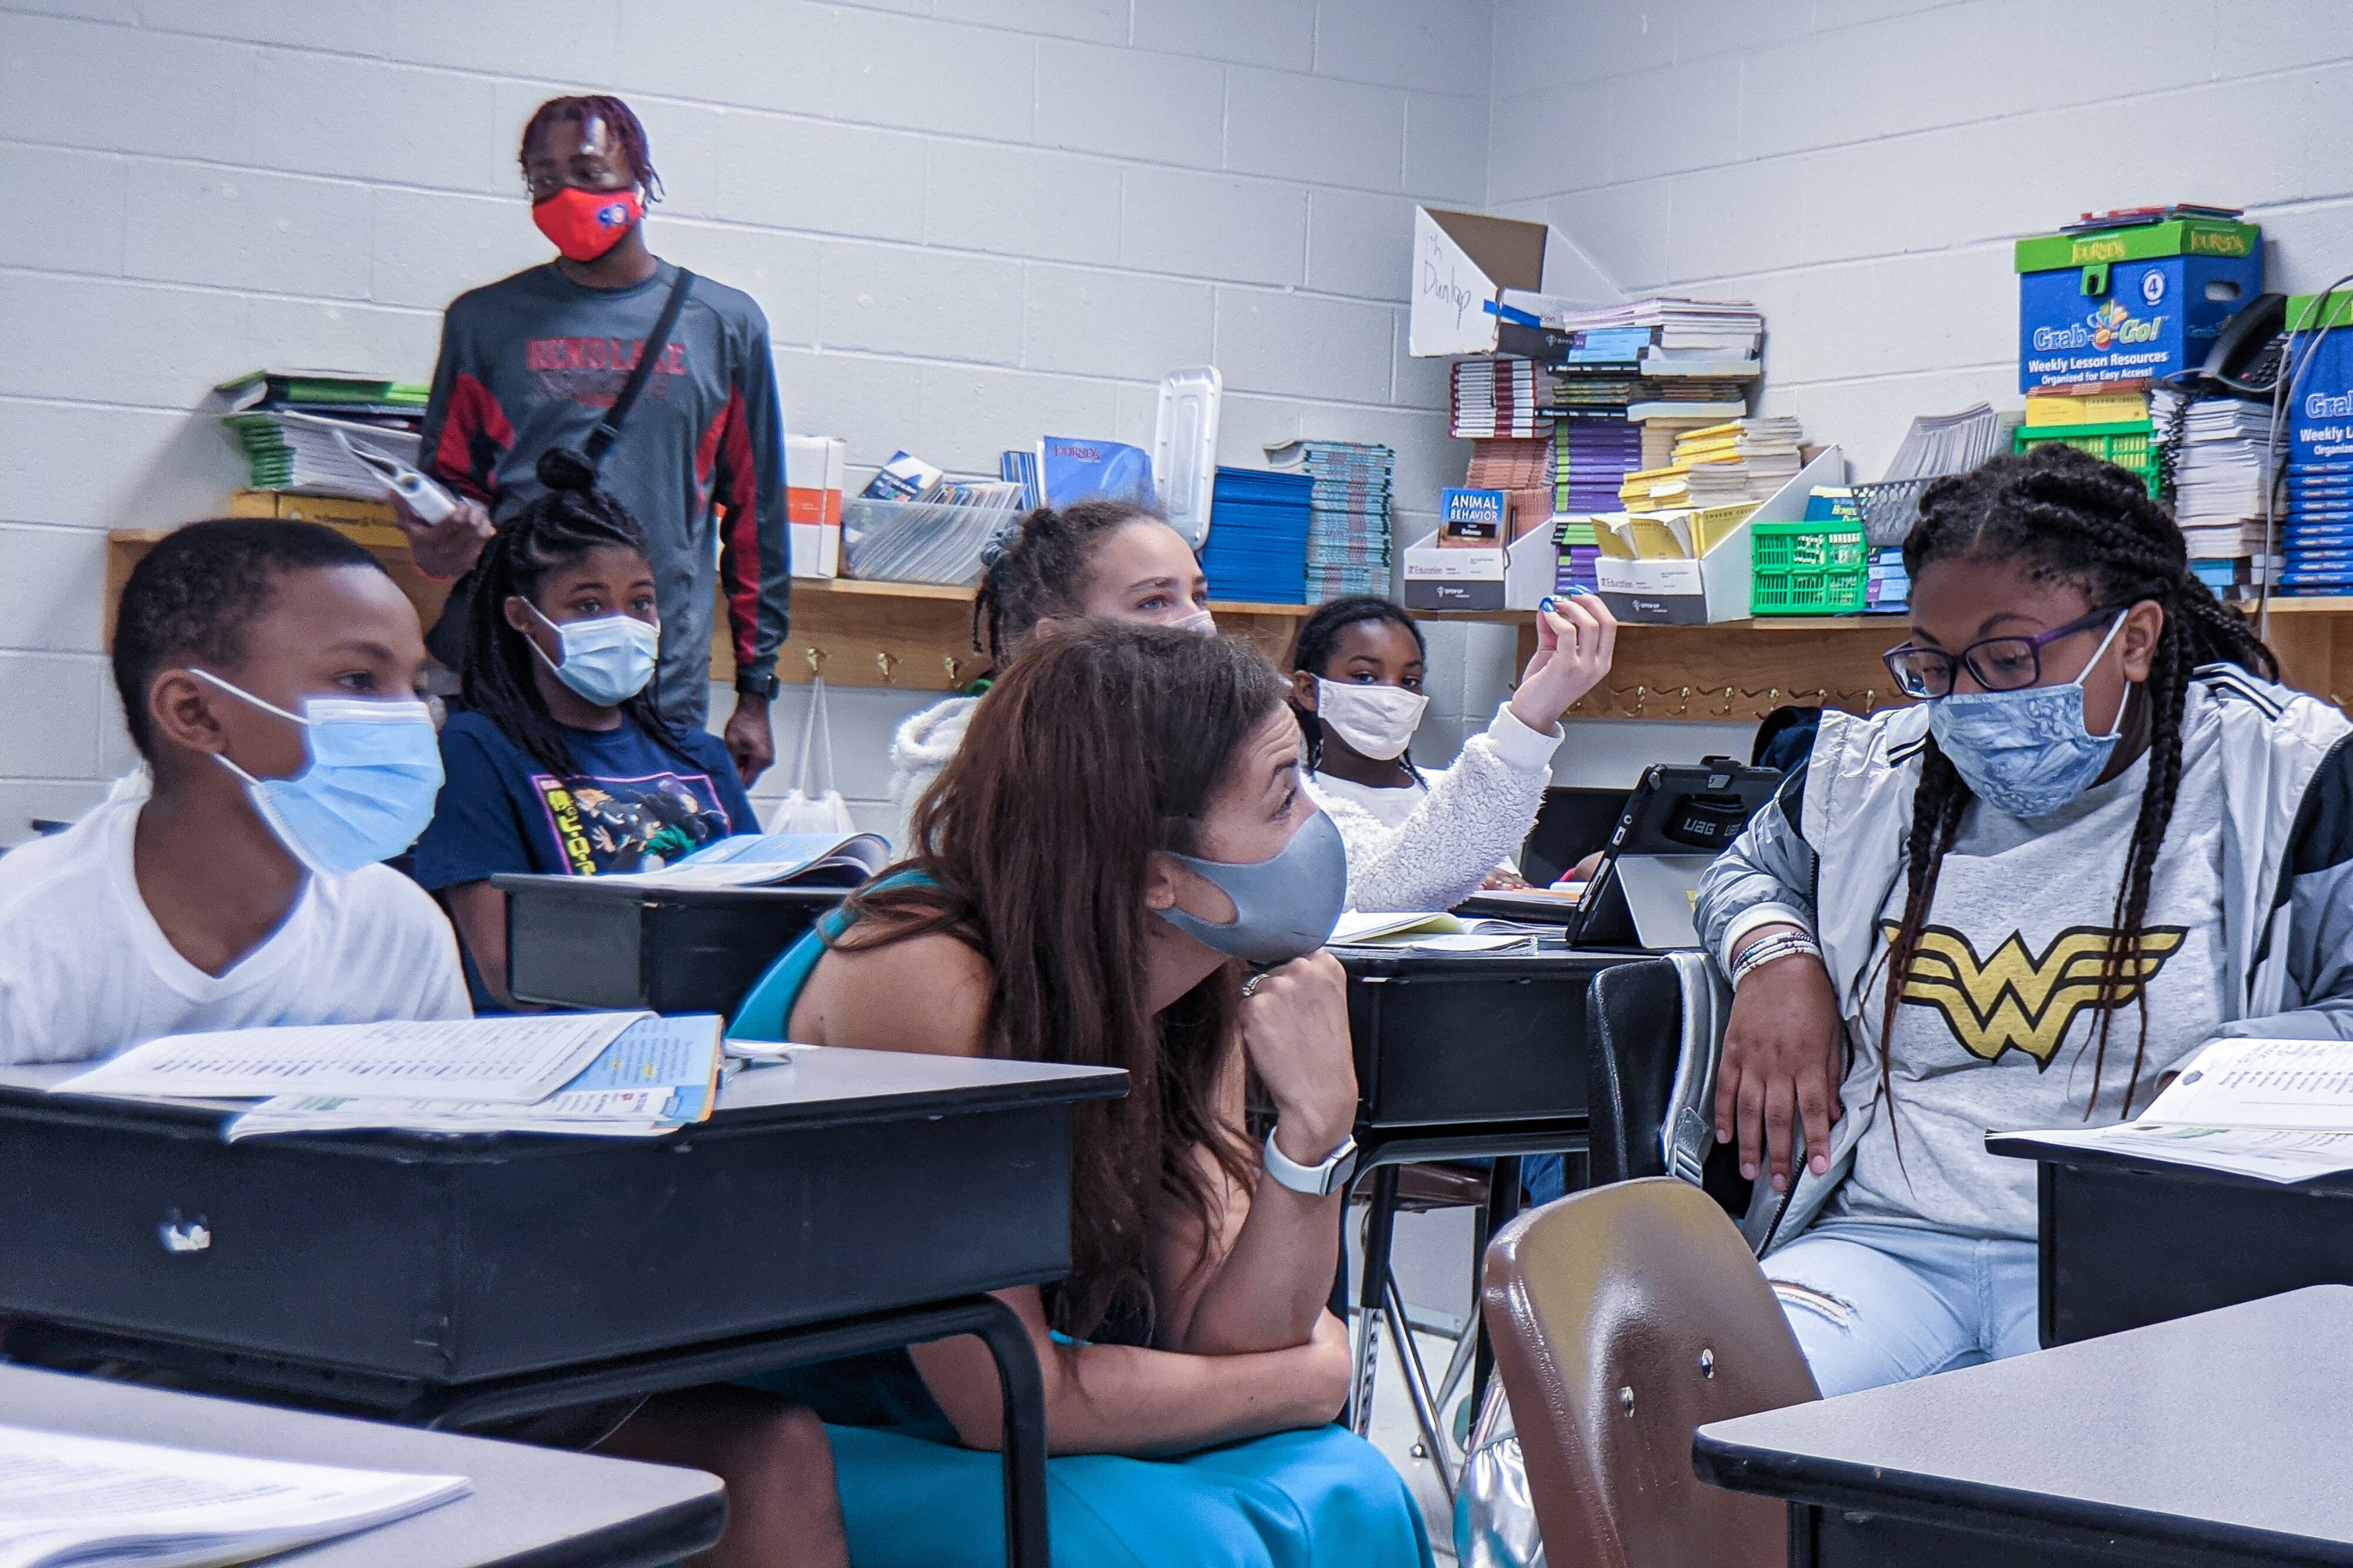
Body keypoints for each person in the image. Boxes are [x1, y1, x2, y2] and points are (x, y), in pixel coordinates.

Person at [734, 623, 1432, 1567]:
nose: (1317, 821)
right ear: (1155, 872)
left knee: (1354, 1487)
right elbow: (1005, 1396)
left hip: (1002, 1412)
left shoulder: (1194, 971)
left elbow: (1224, 1332)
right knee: (1182, 1545)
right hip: (811, 1434)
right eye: (1283, 794)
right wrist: (1318, 1370)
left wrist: (1314, 1133)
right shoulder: (925, 972)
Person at [1696, 444, 2353, 1399]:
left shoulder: (2288, 776)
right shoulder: (1876, 774)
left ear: (2134, 638)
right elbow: (1747, 872)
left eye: (2007, 660)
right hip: (1891, 1243)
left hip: (2152, 1258)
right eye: (1933, 663)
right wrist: (1775, 956)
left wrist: (2235, 1073)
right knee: (1696, 1419)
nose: (1964, 703)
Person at [396, 94, 789, 784]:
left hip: (657, 675)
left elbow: (759, 520)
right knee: (505, 861)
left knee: (651, 870)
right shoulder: (484, 322)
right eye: (542, 180)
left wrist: (755, 691)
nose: (564, 193)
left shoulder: (722, 324)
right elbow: (448, 490)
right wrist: (439, 538)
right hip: (510, 664)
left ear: (641, 177)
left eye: (588, 170)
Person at [0, 519, 468, 1063]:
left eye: (418, 688)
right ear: (193, 712)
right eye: (359, 681)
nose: (415, 719)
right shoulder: (23, 939)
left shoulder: (399, 934)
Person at [412, 455, 761, 1009]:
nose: (622, 623)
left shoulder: (703, 757)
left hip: (705, 1047)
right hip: (557, 1061)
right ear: (523, 618)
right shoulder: (478, 749)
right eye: (589, 605)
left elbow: (766, 931)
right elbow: (511, 974)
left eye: (641, 602)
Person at [885, 498, 1212, 845]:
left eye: (1199, 597)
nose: (1198, 624)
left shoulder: (1207, 739)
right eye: (1153, 602)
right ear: (1057, 639)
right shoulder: (974, 771)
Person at [1289, 590, 1618, 911]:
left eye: (1409, 681)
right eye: (1365, 677)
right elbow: (1376, 891)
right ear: (1309, 690)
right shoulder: (1289, 801)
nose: (1391, 696)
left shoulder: (1455, 791)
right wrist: (1528, 717)